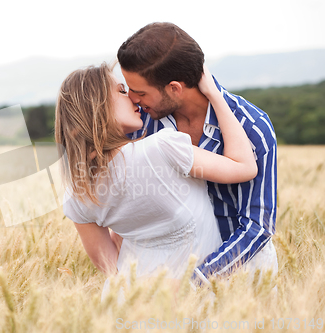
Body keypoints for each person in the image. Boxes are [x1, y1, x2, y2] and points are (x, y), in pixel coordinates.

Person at [55, 62, 258, 302]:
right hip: (195, 298)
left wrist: (133, 229)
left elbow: (111, 267)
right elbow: (245, 166)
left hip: (132, 303)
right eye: (121, 91)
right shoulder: (163, 147)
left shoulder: (77, 193)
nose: (132, 98)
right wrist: (214, 94)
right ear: (98, 107)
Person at [116, 22, 278, 287]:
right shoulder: (143, 123)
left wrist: (196, 280)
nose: (132, 99)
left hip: (241, 275)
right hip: (165, 275)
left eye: (140, 92)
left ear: (174, 88)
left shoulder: (252, 127)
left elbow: (258, 226)